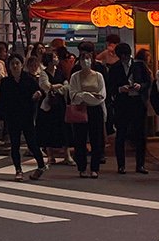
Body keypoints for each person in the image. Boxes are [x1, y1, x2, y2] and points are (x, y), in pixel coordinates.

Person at [0, 53, 45, 180]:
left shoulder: (28, 79)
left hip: (27, 116)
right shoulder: (5, 82)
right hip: (12, 116)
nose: (14, 66)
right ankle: (18, 169)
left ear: (21, 65)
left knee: (32, 143)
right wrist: (0, 118)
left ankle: (41, 165)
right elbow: (1, 101)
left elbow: (41, 91)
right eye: (12, 63)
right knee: (15, 144)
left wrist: (38, 93)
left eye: (17, 63)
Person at [107, 42, 152, 174]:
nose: (125, 58)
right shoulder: (115, 68)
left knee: (140, 134)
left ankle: (141, 164)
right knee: (121, 133)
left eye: (126, 55)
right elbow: (110, 87)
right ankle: (121, 165)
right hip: (123, 103)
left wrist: (140, 86)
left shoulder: (139, 65)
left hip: (138, 102)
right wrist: (120, 89)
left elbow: (148, 82)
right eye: (122, 56)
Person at [65, 46, 107, 177]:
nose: (85, 61)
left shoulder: (98, 76)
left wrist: (85, 96)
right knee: (80, 140)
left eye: (88, 58)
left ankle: (95, 168)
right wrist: (88, 95)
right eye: (83, 58)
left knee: (96, 140)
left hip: (95, 110)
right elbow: (73, 95)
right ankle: (82, 167)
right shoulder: (75, 76)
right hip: (80, 110)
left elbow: (101, 95)